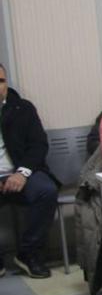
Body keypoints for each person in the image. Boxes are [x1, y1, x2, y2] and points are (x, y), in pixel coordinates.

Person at [0, 64, 58, 279]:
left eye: (1, 81)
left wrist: (22, 173)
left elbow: (39, 145)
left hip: (23, 171)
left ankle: (29, 252)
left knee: (46, 191)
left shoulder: (22, 108)